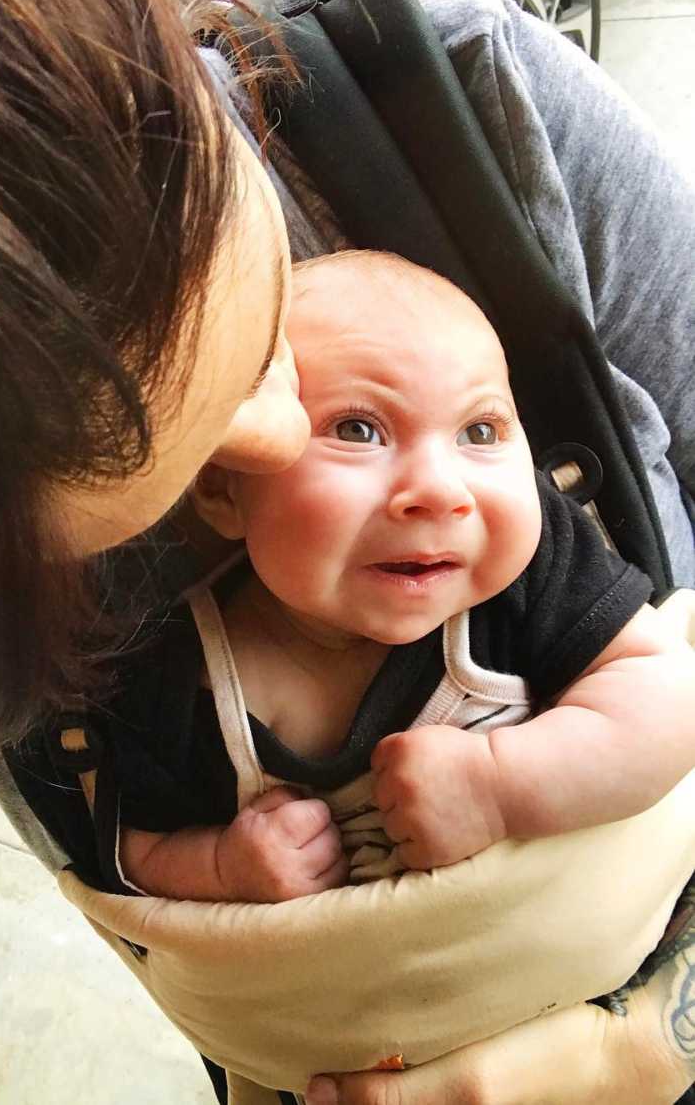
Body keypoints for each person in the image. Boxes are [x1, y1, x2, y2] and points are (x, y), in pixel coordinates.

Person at [0, 0, 692, 1104]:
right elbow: (130, 867)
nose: (274, 443)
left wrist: (651, 1040)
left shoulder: (461, 113)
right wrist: (222, 871)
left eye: (264, 343)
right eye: (174, 478)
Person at [114, 250, 695, 906]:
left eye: (480, 430)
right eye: (359, 429)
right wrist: (221, 867)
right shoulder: (167, 677)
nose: (440, 491)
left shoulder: (536, 568)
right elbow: (129, 850)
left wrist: (499, 788)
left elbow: (670, 700)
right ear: (222, 487)